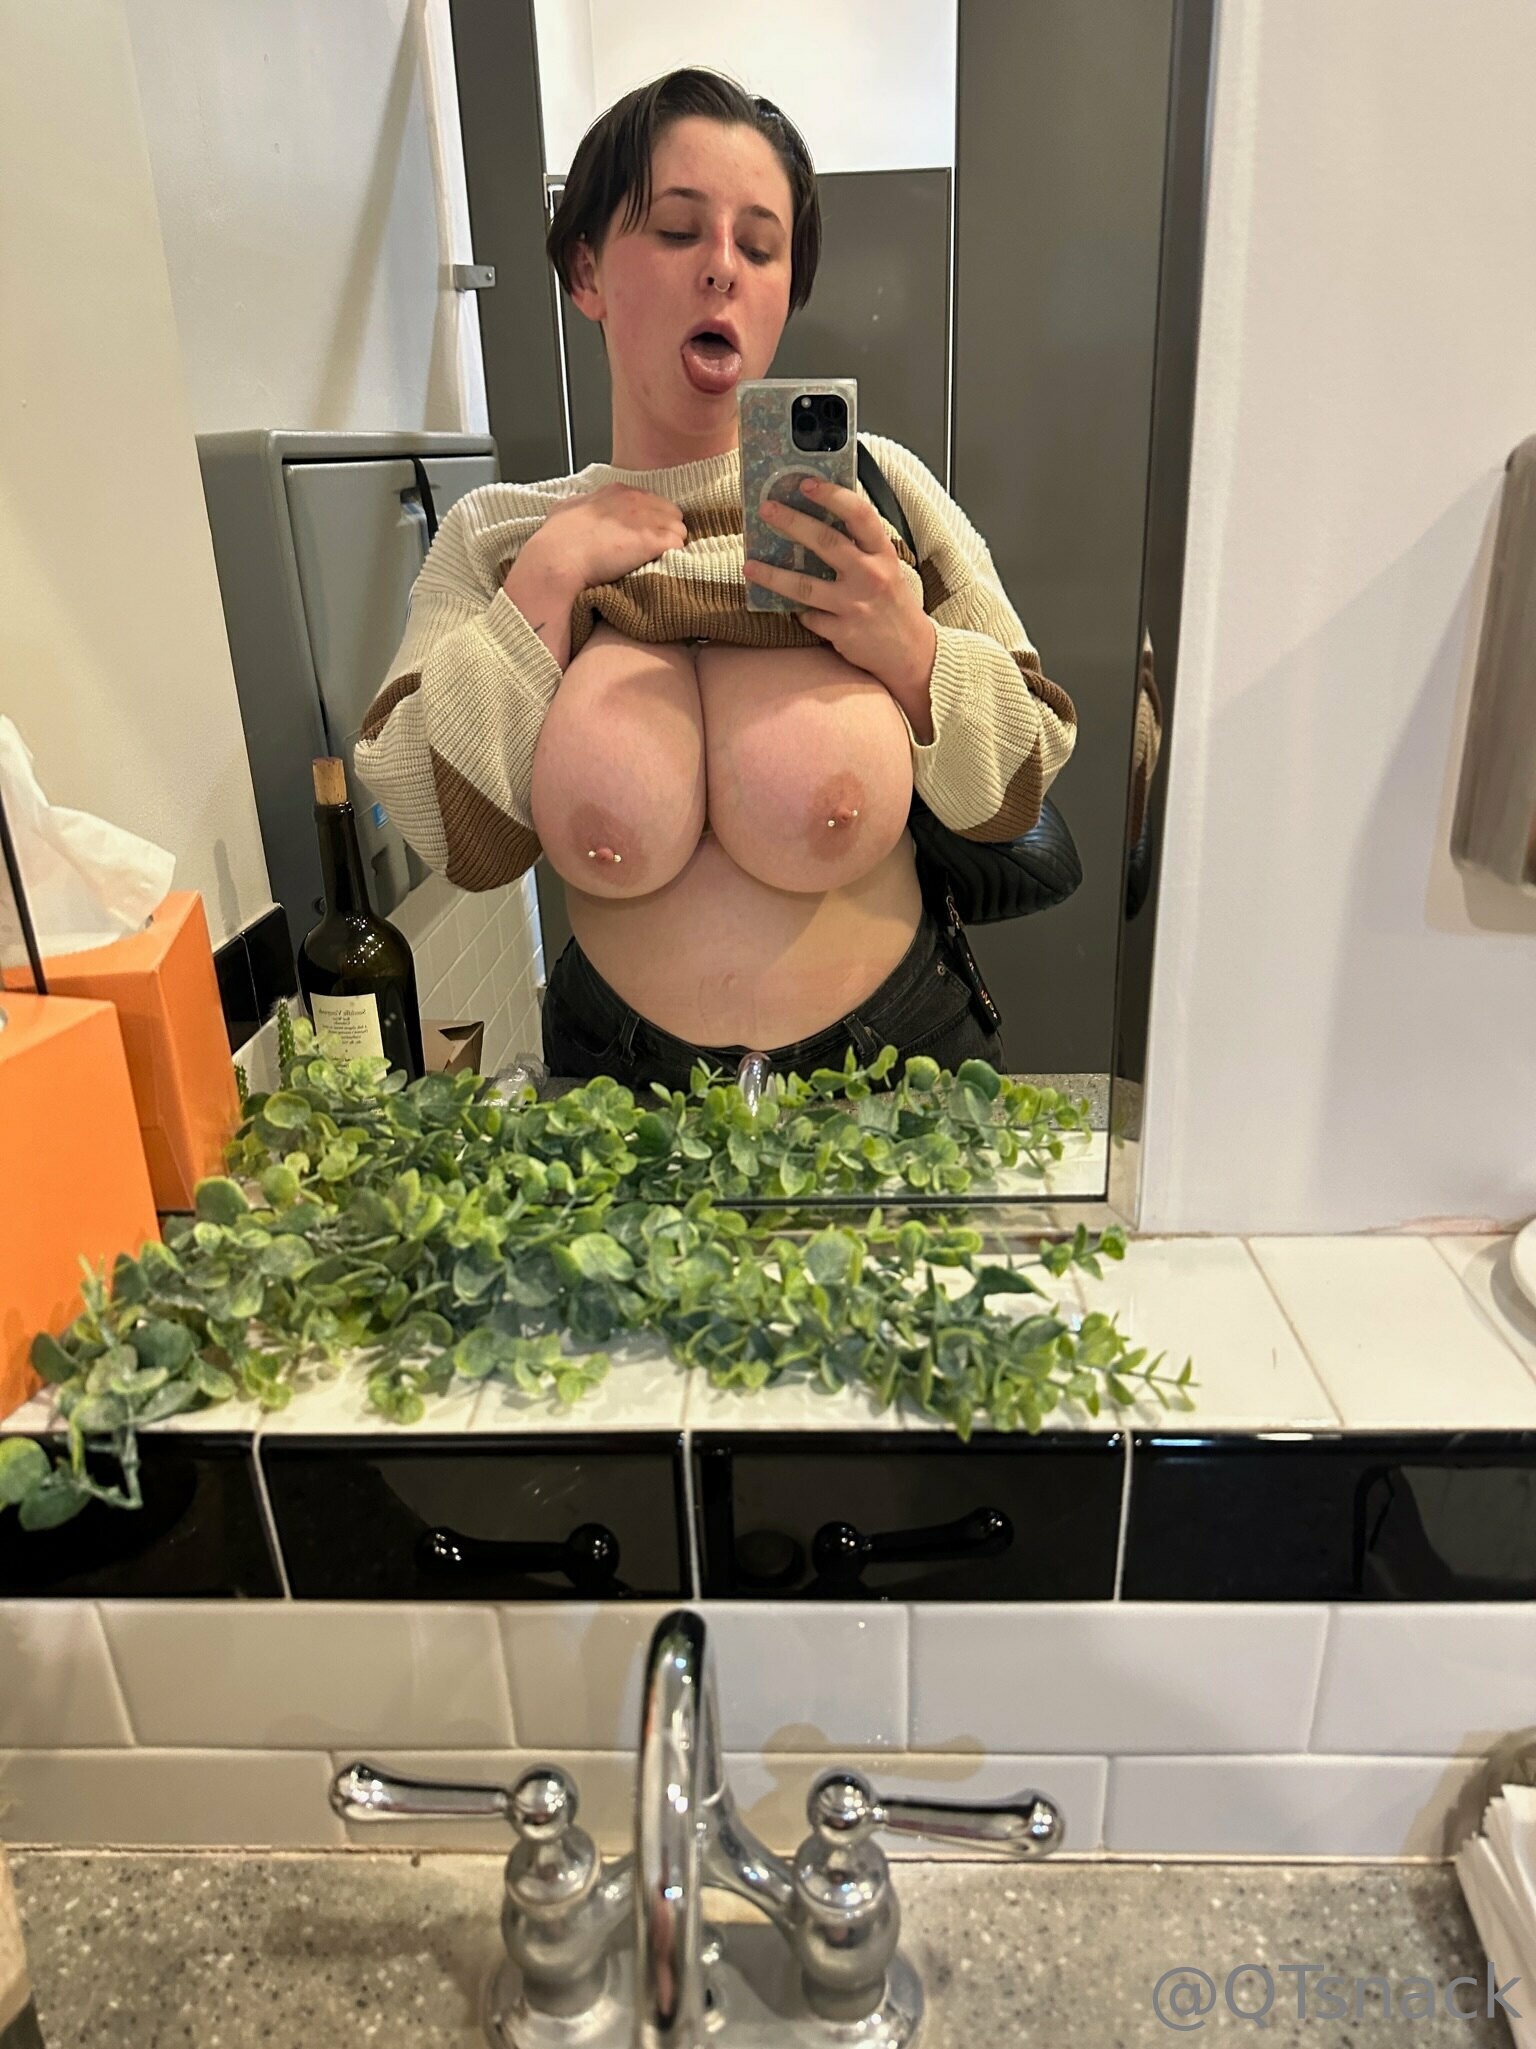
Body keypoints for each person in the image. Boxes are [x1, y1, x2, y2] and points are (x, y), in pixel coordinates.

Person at [355, 68, 1077, 1093]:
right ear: (586, 271)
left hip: (898, 1072)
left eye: (761, 246)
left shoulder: (879, 497)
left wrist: (907, 647)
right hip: (620, 1094)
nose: (723, 269)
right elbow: (446, 833)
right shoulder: (502, 534)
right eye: (678, 230)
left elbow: (1021, 779)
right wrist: (550, 579)